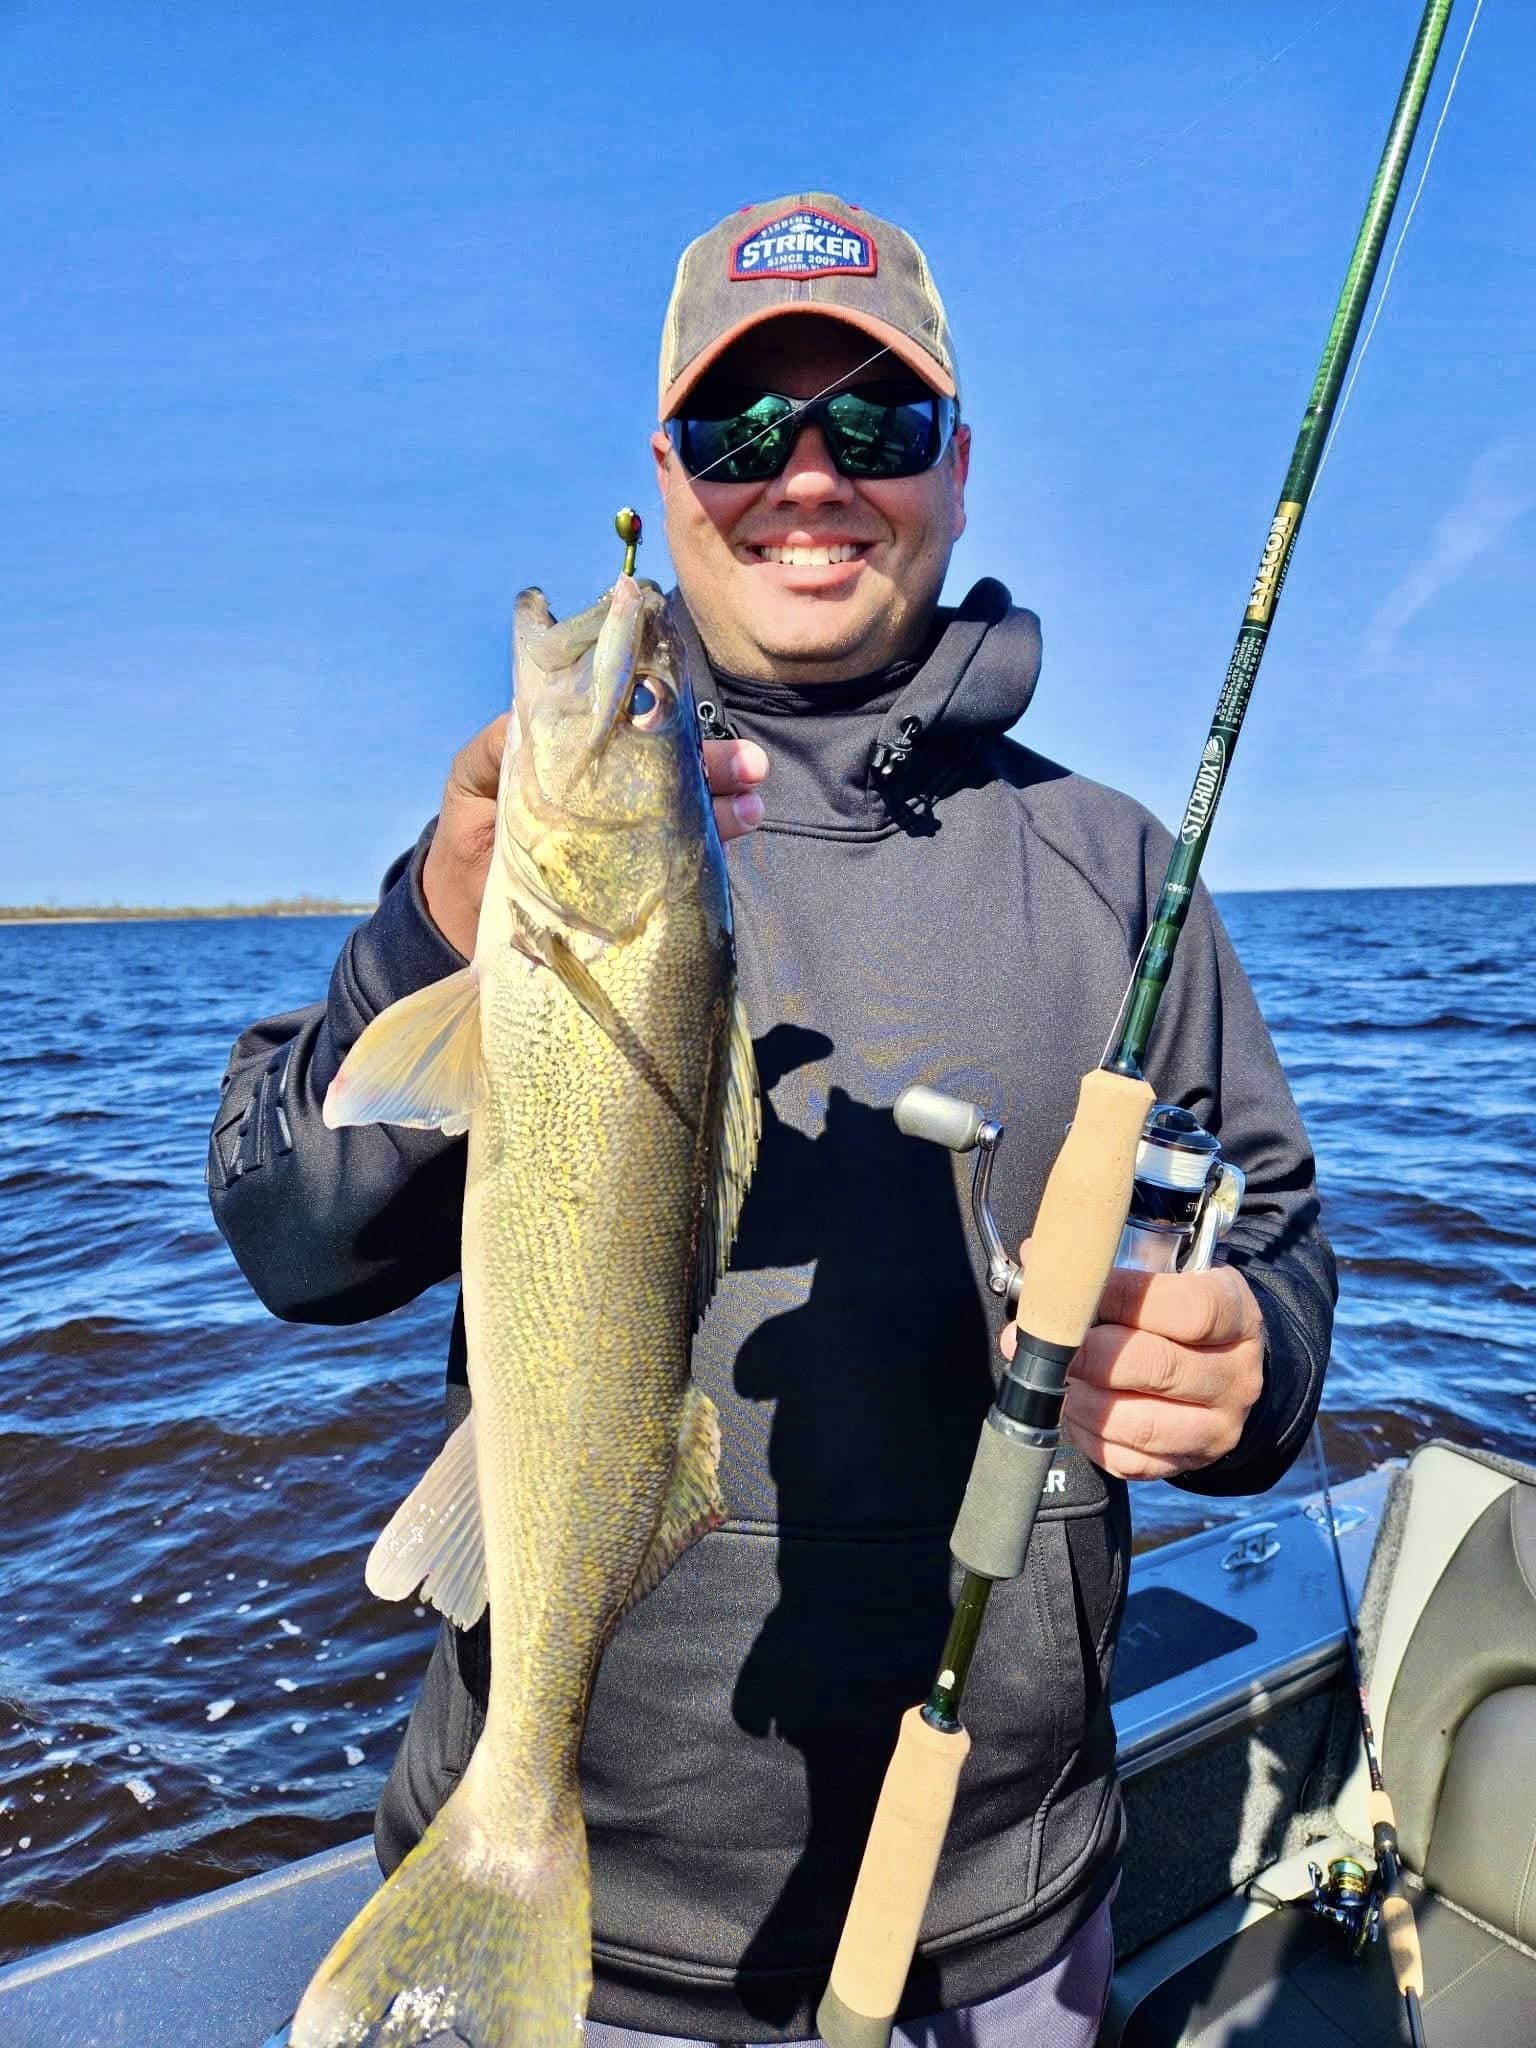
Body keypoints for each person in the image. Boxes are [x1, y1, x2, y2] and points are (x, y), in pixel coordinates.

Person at [209, 191, 1335, 2046]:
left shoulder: (1122, 866)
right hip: (576, 1893)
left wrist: (1253, 1368)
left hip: (1000, 1901)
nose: (806, 481)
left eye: (872, 428)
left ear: (957, 472)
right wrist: (435, 915)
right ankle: (519, 1834)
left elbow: (1273, 1227)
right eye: (743, 432)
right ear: (670, 466)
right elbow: (293, 1237)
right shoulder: (509, 872)